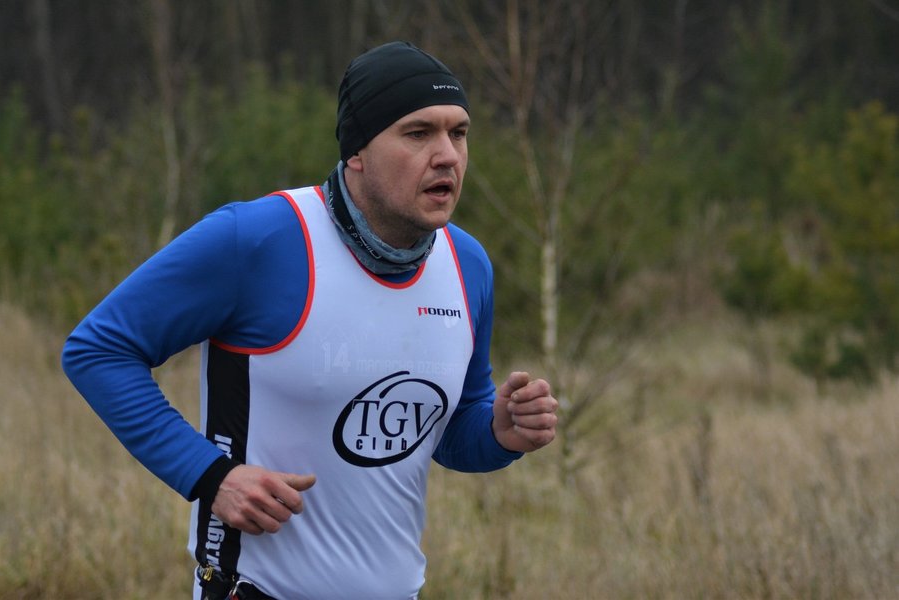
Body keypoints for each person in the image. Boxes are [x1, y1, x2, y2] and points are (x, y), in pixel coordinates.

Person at [62, 40, 558, 600]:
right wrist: (209, 475)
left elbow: (446, 434)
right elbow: (97, 350)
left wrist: (498, 432)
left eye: (458, 133)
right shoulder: (257, 240)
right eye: (418, 133)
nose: (447, 155)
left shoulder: (468, 265)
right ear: (357, 151)